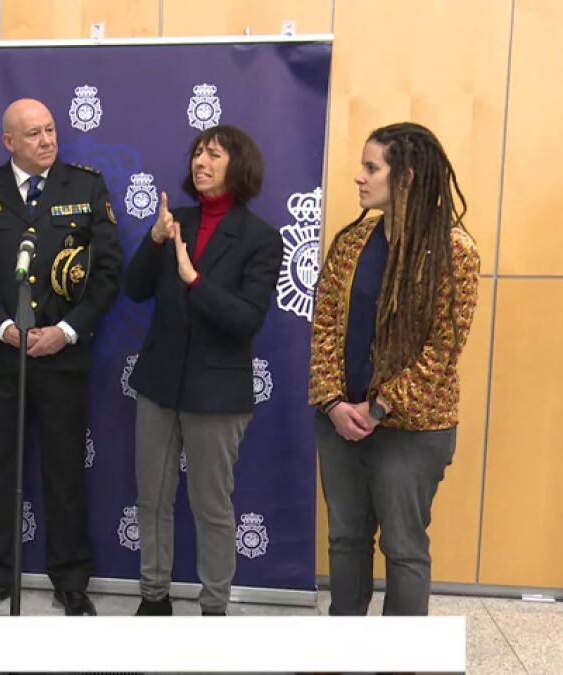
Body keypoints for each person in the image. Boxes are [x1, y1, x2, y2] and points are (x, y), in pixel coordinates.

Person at [0, 98, 121, 616]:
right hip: (1, 357)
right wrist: (3, 328)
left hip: (62, 357)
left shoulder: (85, 186)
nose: (47, 140)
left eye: (50, 130)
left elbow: (108, 272)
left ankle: (71, 579)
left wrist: (66, 332)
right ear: (9, 141)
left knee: (65, 470)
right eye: (33, 134)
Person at [310, 122, 480, 616]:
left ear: (405, 177)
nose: (359, 177)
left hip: (412, 431)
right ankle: (345, 646)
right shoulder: (352, 242)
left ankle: (399, 653)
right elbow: (324, 324)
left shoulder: (454, 251)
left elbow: (442, 350)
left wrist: (378, 407)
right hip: (340, 422)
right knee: (345, 540)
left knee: (403, 549)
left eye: (372, 167)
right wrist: (333, 403)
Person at [123, 125, 282, 616]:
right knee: (152, 500)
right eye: (197, 152)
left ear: (239, 165)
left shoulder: (261, 238)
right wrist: (155, 240)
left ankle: (214, 607)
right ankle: (154, 597)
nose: (201, 161)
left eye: (213, 154)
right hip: (159, 384)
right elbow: (134, 289)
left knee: (211, 507)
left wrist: (194, 280)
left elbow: (246, 319)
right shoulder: (177, 221)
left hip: (216, 393)